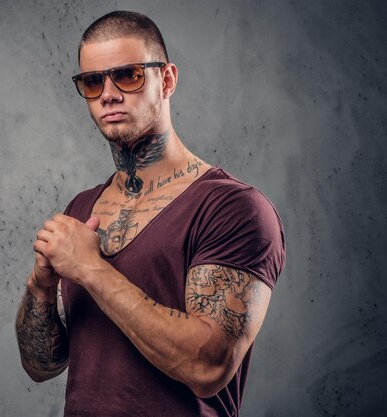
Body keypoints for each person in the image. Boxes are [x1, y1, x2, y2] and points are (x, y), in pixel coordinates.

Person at [15, 10, 286, 417]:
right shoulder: (82, 209)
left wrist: (91, 268)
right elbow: (41, 367)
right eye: (92, 81)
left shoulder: (233, 208)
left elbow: (207, 366)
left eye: (128, 75)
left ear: (168, 80)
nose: (107, 93)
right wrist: (40, 283)